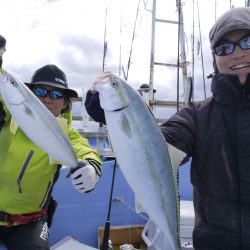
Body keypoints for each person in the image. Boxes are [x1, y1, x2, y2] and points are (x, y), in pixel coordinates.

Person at [84, 7, 250, 250]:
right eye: (224, 47)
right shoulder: (196, 116)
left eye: (247, 41)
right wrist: (115, 115)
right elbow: (157, 147)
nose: (236, 54)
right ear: (214, 58)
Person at [0, 47, 102, 250]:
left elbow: (86, 150)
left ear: (65, 103)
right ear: (29, 95)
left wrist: (92, 167)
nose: (47, 98)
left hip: (30, 223)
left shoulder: (67, 135)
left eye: (56, 94)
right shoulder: (11, 114)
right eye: (40, 92)